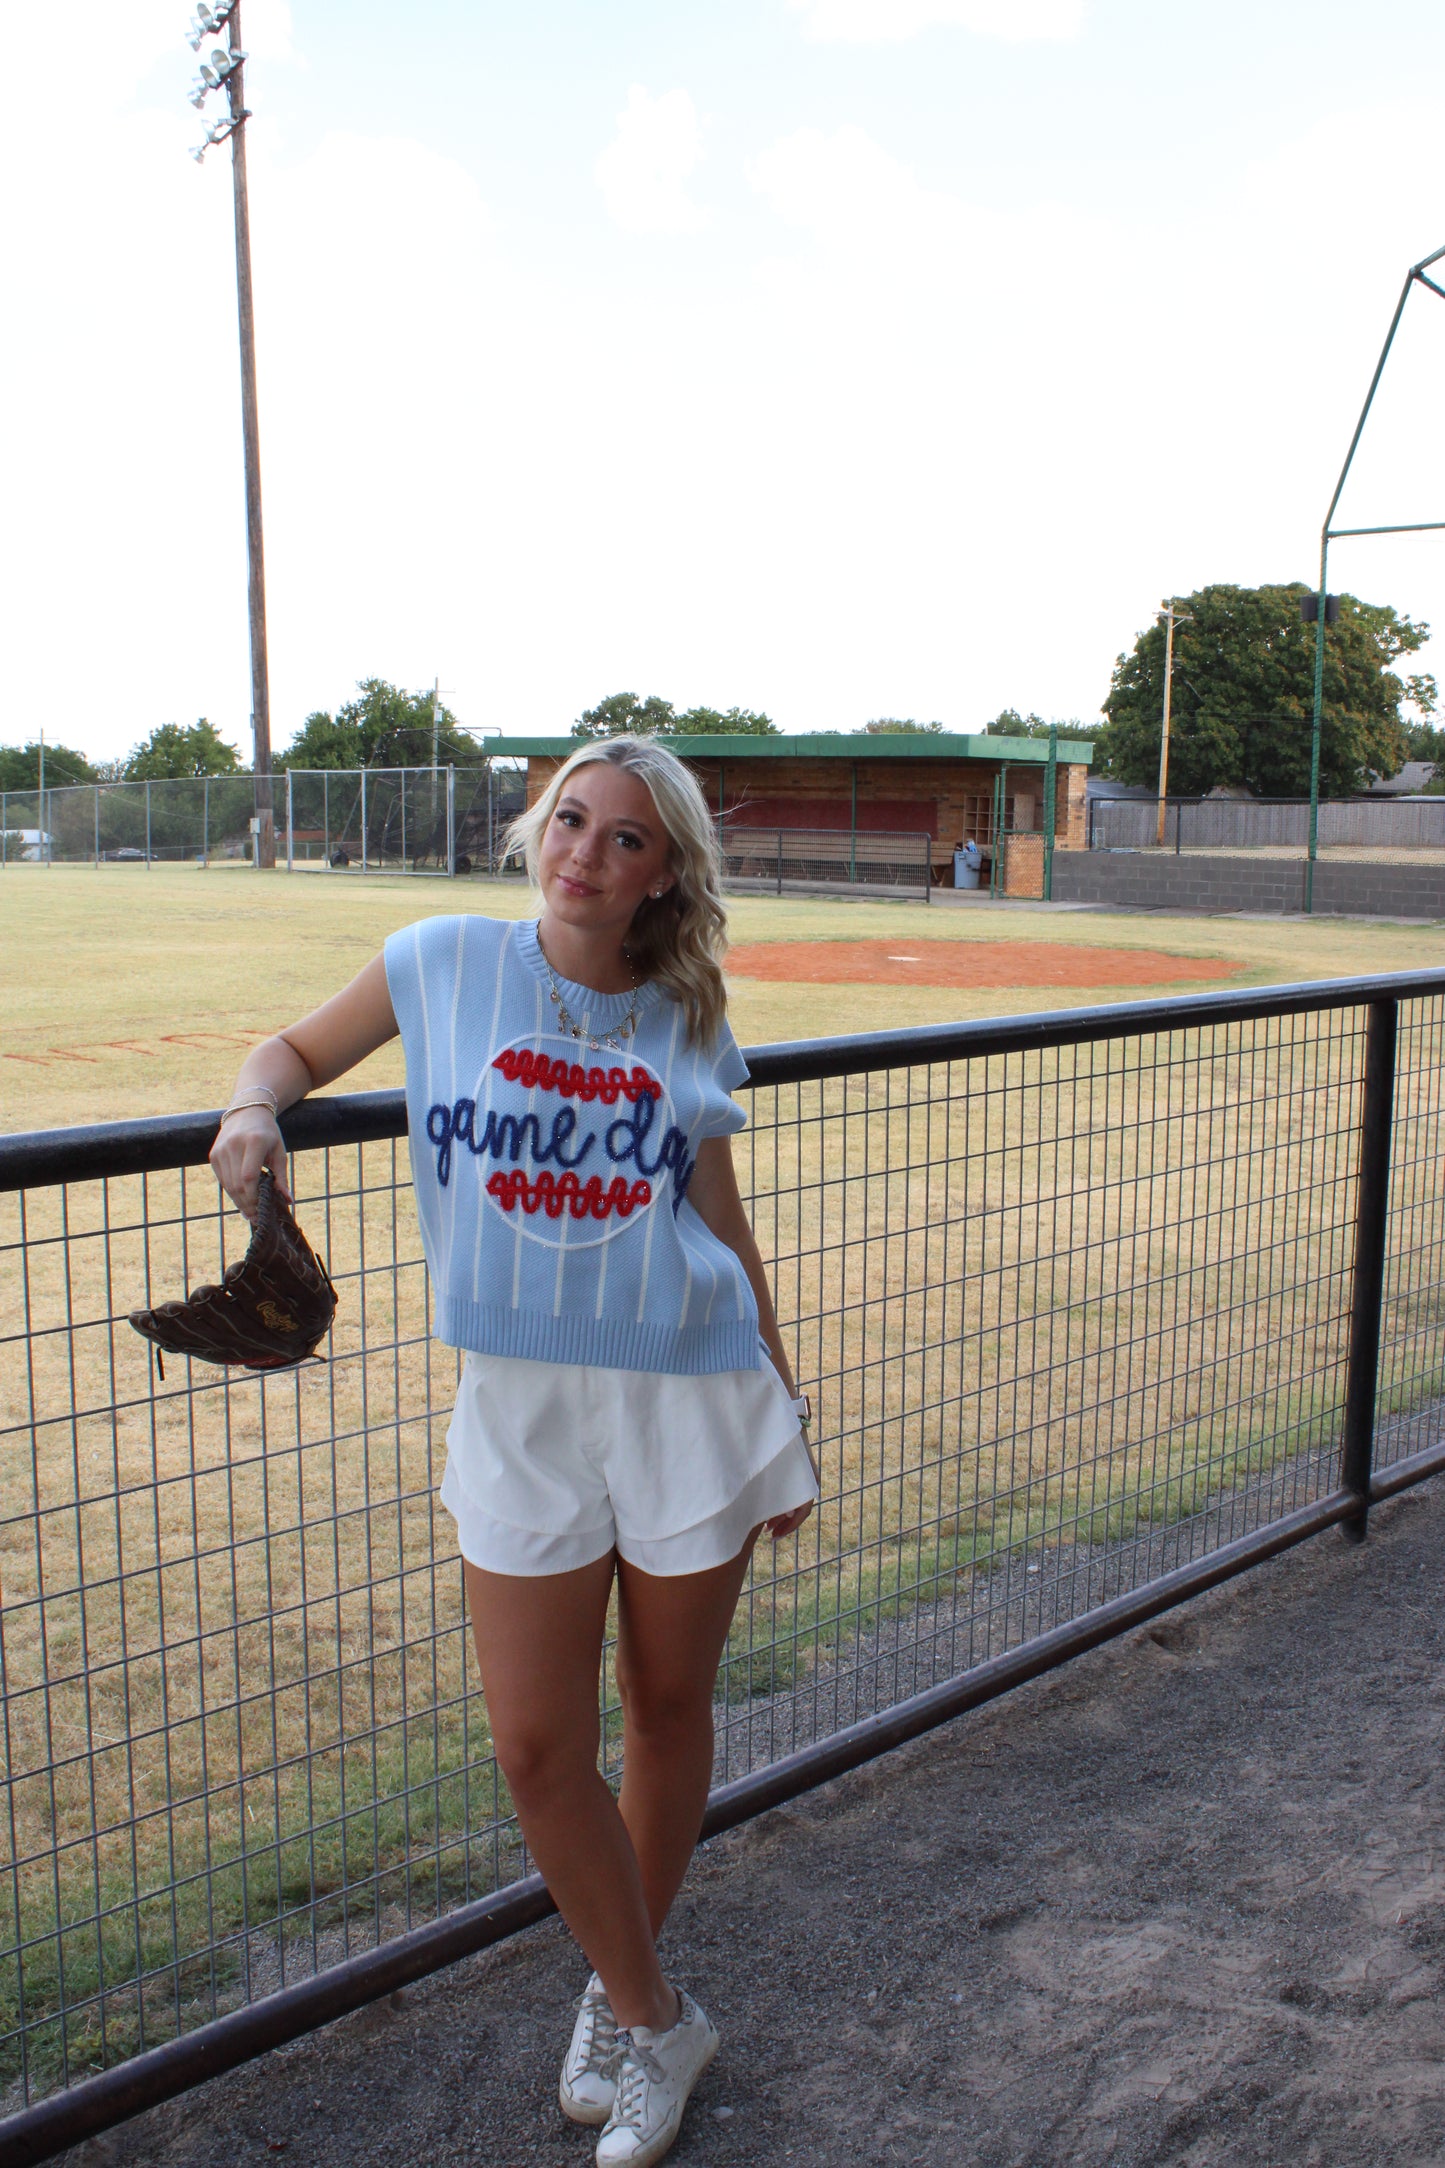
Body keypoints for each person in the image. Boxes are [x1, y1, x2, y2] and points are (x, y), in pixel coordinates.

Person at [209, 733, 818, 2167]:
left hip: (689, 1393)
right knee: (539, 1746)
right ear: (534, 828)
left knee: (665, 1711)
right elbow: (291, 1051)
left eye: (623, 839)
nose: (583, 853)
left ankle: (621, 2001)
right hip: (519, 1405)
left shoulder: (685, 1010)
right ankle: (661, 2012)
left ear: (662, 875)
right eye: (570, 820)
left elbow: (720, 1226)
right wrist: (250, 1107)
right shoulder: (438, 960)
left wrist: (782, 1403)